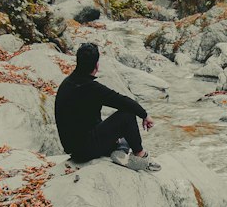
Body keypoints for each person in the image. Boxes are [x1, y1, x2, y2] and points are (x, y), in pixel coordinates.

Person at [54, 42, 160, 172]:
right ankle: (140, 155)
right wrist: (144, 115)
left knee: (124, 138)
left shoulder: (66, 84)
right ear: (97, 65)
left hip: (73, 148)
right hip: (86, 150)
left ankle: (120, 149)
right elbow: (123, 102)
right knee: (127, 116)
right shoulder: (91, 88)